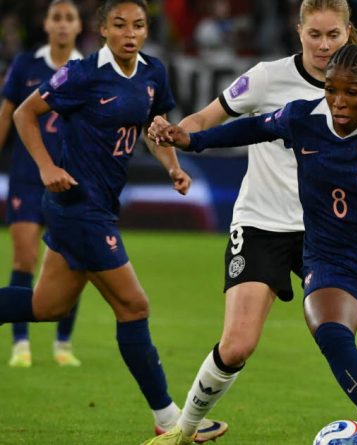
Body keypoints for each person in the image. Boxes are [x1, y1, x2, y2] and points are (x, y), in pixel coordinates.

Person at [152, 43, 357, 445]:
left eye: (350, 93)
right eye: (331, 90)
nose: (338, 102)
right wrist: (192, 141)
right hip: (330, 258)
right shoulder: (303, 117)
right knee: (332, 333)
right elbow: (253, 127)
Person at [140, 1, 357, 443]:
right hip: (262, 223)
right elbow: (205, 120)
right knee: (238, 344)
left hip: (327, 232)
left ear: (348, 33)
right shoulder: (265, 78)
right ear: (298, 31)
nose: (323, 45)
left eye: (333, 35)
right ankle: (182, 431)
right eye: (315, 35)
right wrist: (174, 136)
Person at [0, 1, 226, 441]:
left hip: (100, 207)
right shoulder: (83, 73)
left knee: (47, 306)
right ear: (102, 29)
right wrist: (46, 168)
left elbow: (152, 127)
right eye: (120, 25)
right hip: (77, 206)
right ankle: (169, 421)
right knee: (134, 306)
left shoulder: (152, 73)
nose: (130, 33)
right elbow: (23, 113)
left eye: (139, 25)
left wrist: (173, 167)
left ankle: (167, 422)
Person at [0, 0, 83, 368]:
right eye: (57, 18)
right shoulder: (26, 66)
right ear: (47, 25)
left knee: (74, 260)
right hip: (26, 177)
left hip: (70, 180)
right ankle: (21, 344)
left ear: (79, 26)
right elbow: (7, 116)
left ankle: (63, 344)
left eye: (69, 18)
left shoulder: (89, 69)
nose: (63, 25)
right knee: (25, 257)